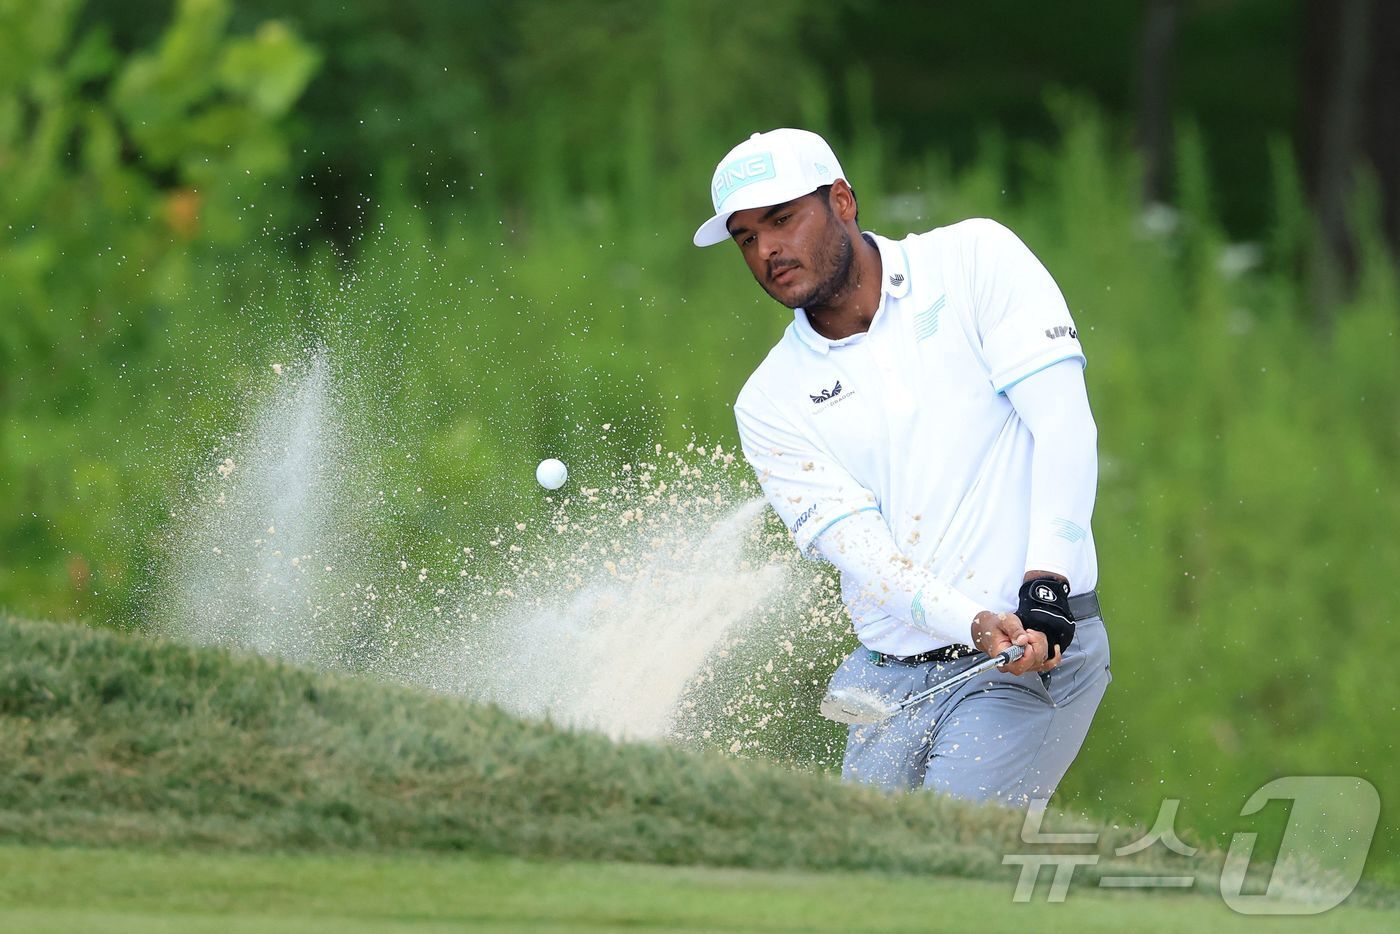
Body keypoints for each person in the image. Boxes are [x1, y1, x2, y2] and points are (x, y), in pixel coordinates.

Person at [693, 128, 1111, 805]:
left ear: (842, 201)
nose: (767, 250)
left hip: (1028, 654)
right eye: (746, 237)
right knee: (867, 887)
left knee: (948, 875)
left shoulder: (975, 258)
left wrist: (1045, 583)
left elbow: (1063, 425)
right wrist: (970, 619)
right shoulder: (768, 401)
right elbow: (865, 558)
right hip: (885, 678)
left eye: (782, 219)